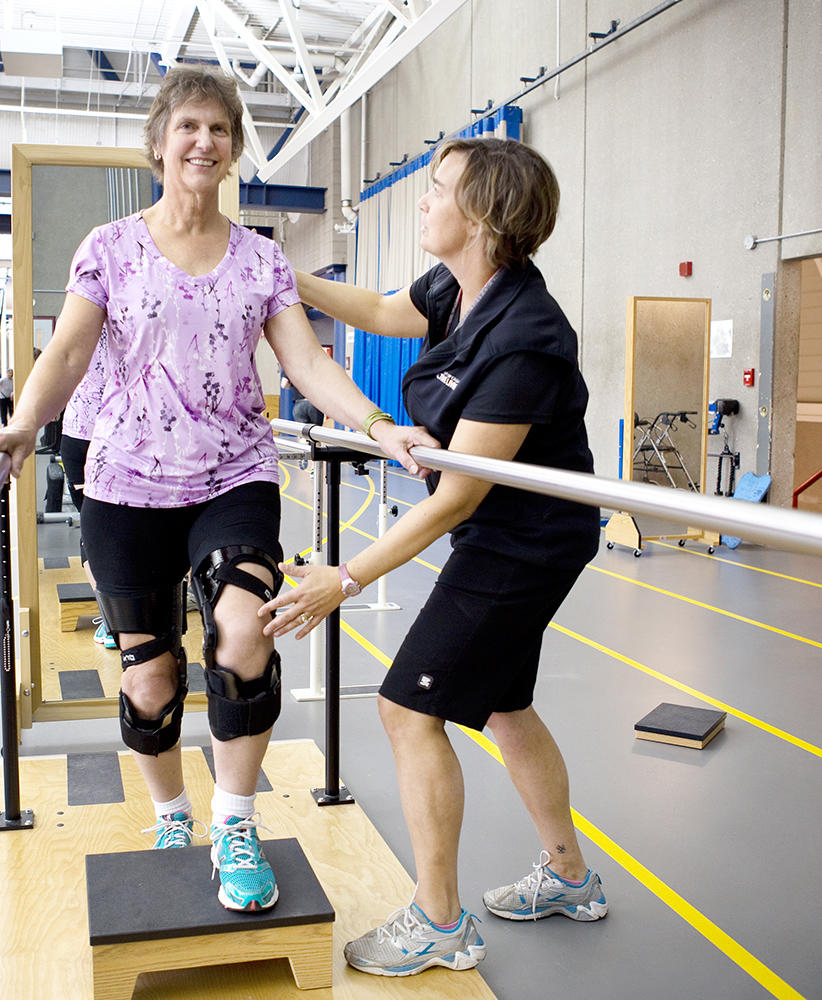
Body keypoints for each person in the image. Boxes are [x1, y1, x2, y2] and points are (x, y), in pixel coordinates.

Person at [0, 65, 436, 914]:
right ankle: (172, 814)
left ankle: (234, 821)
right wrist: (25, 425)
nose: (204, 141)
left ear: (231, 154)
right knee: (149, 678)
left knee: (241, 627)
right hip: (121, 481)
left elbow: (305, 364)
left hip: (233, 473)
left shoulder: (262, 258)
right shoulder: (108, 249)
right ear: (160, 145)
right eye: (188, 126)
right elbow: (70, 355)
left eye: (220, 130)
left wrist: (378, 427)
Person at [260, 136, 606, 974]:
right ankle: (571, 877)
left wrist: (345, 578)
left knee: (407, 709)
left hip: (525, 542)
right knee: (504, 706)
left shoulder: (526, 335)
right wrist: (275, 274)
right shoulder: (459, 288)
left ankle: (440, 922)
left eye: (438, 188)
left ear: (481, 214)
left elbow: (458, 495)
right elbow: (382, 313)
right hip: (504, 531)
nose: (423, 201)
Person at [58, 330, 116, 649]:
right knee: (116, 525)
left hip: (84, 430)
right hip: (117, 430)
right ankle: (115, 617)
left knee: (93, 525)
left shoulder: (85, 307)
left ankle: (112, 619)